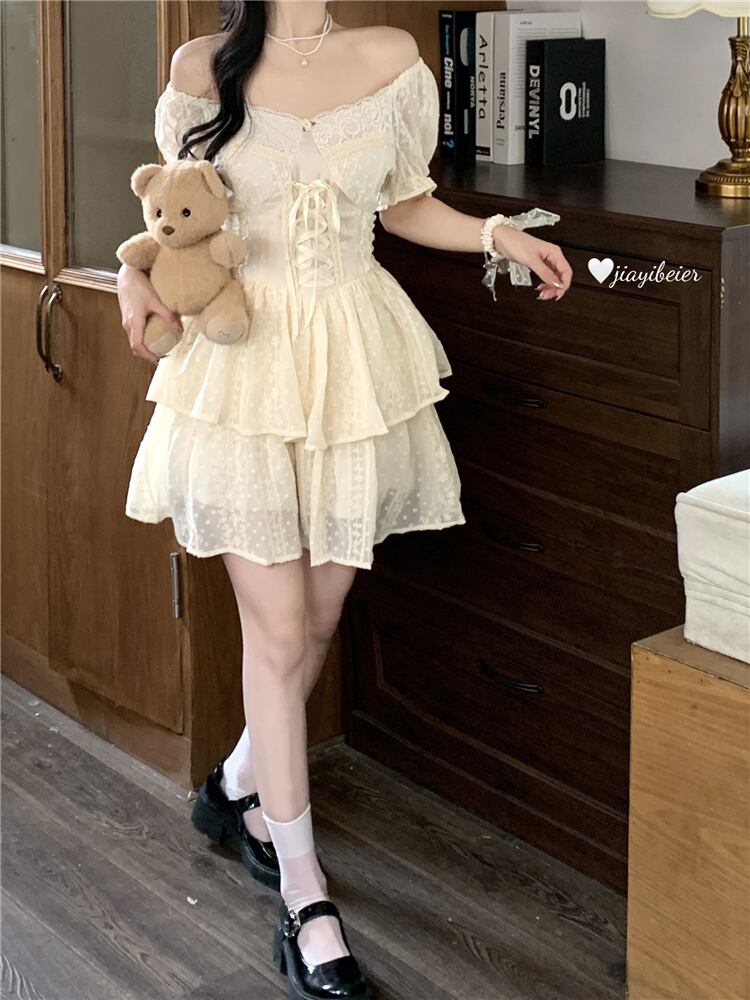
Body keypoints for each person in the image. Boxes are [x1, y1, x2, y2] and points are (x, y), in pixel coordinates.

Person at [116, 3, 572, 997]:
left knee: (319, 616)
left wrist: (498, 233)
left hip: (353, 359)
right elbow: (175, 212)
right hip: (243, 365)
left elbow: (404, 202)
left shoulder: (390, 58)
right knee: (279, 633)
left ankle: (239, 784)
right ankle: (304, 896)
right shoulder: (201, 67)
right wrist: (129, 276)